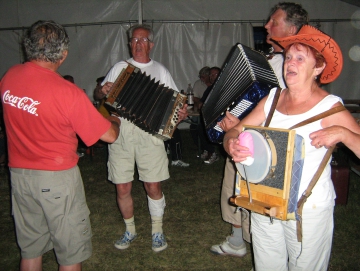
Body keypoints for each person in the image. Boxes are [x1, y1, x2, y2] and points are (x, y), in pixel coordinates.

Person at [224, 24, 360, 270]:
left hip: (307, 210)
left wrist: (343, 133)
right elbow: (235, 130)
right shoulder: (272, 98)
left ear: (318, 67)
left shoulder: (329, 107)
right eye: (288, 57)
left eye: (300, 58)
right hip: (265, 202)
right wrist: (230, 143)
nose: (290, 63)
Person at [0, 20, 120, 271]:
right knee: (69, 253)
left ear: (28, 46)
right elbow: (109, 136)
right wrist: (115, 119)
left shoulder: (9, 77)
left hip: (20, 176)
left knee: (31, 250)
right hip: (56, 180)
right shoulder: (67, 92)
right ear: (63, 55)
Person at [210, 2, 309, 258]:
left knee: (256, 198)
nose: (266, 26)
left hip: (270, 150)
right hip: (246, 137)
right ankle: (237, 241)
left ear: (292, 28)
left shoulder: (296, 69)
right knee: (232, 188)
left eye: (273, 22)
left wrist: (243, 127)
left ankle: (261, 249)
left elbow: (285, 118)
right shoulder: (270, 61)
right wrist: (235, 123)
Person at [97, 24, 188, 252]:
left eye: (143, 40)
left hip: (150, 133)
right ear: (130, 44)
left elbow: (175, 105)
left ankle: (157, 230)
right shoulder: (120, 67)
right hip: (121, 131)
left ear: (151, 44)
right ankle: (130, 230)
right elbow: (99, 94)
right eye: (134, 40)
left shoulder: (161, 71)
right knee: (122, 187)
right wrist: (103, 89)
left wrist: (180, 113)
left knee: (153, 185)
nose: (138, 44)